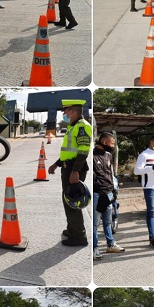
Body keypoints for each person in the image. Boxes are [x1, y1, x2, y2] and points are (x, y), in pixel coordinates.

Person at [48, 100, 92, 247]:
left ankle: (80, 236)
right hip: (68, 167)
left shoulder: (82, 126)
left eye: (66, 112)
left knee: (73, 202)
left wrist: (75, 171)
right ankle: (72, 229)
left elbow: (83, 150)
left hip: (74, 169)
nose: (65, 115)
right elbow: (69, 151)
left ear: (73, 112)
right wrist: (57, 164)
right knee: (68, 201)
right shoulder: (72, 126)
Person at [93, 133, 124, 259]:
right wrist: (100, 189)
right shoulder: (92, 156)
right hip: (98, 194)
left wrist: (114, 188)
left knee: (108, 222)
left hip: (110, 193)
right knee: (95, 224)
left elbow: (111, 174)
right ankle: (94, 249)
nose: (113, 146)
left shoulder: (108, 155)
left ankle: (110, 245)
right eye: (111, 144)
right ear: (104, 142)